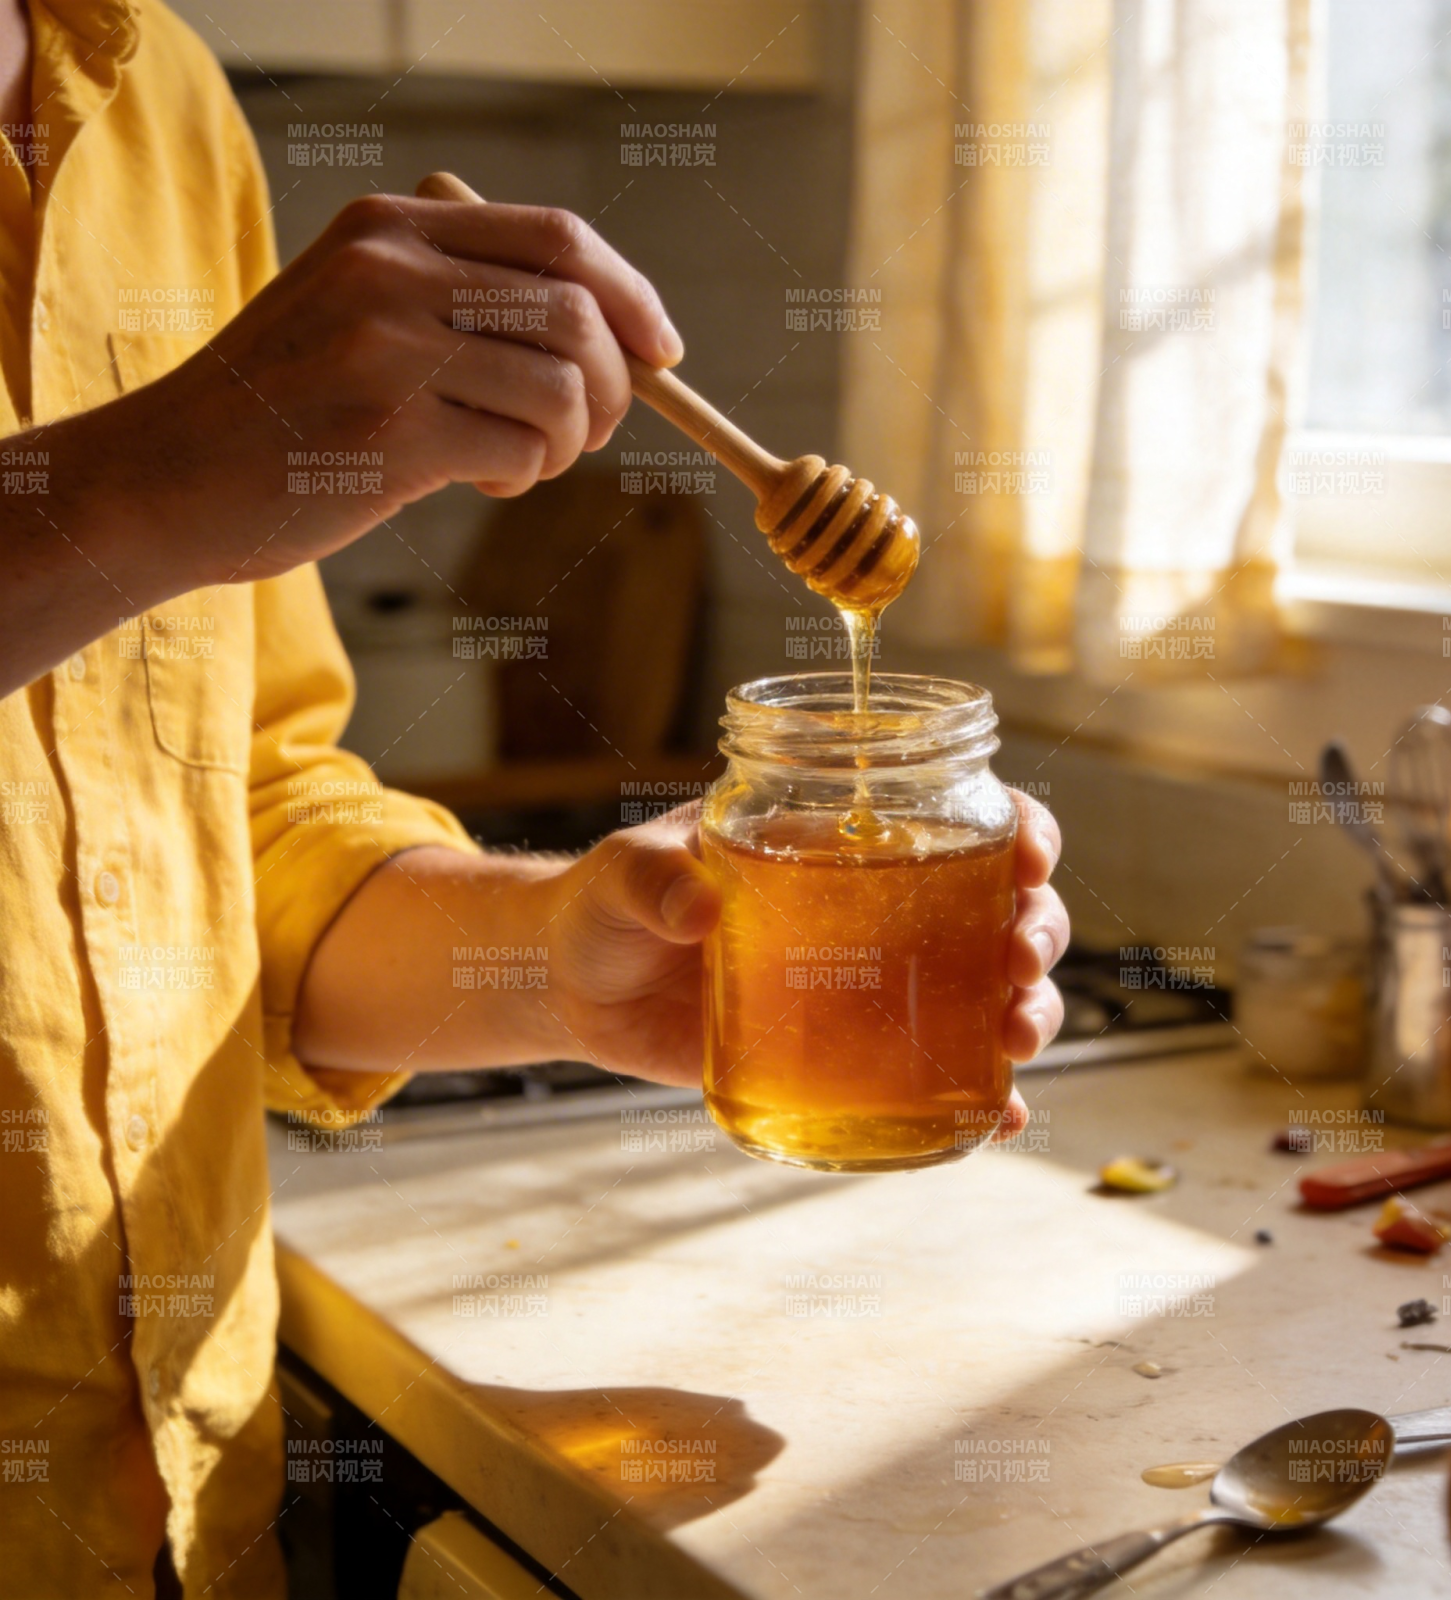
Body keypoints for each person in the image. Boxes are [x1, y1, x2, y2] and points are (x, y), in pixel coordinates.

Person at [0, 1, 1071, 1594]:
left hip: (188, 1508)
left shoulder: (162, 93)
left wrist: (559, 949)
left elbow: (235, 833)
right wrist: (132, 492)